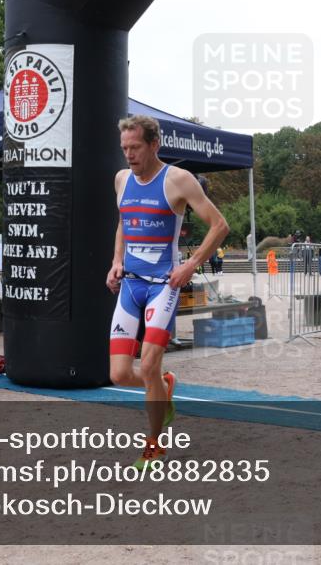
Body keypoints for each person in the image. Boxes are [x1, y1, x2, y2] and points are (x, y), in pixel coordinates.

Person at [105, 115, 229, 469]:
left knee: (148, 363)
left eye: (135, 148)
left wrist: (190, 265)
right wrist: (116, 261)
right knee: (118, 374)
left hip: (164, 286)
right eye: (124, 148)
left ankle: (155, 444)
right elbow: (124, 223)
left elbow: (220, 225)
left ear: (154, 145)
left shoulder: (177, 180)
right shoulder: (121, 180)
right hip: (130, 285)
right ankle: (164, 384)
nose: (128, 155)